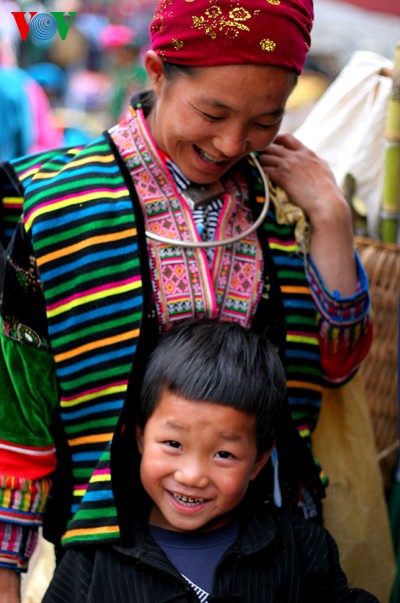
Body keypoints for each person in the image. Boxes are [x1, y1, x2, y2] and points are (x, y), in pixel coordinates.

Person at [0, 0, 373, 600]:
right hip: (110, 562)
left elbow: (338, 366)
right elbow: (17, 417)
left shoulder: (280, 204)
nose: (232, 143)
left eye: (263, 121)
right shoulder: (54, 206)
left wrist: (330, 220)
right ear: (155, 70)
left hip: (268, 557)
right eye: (213, 112)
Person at [42, 319, 377, 602]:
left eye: (224, 454)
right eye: (173, 444)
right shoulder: (93, 558)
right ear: (140, 437)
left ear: (259, 460)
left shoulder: (300, 550)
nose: (192, 475)